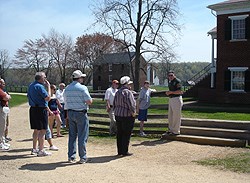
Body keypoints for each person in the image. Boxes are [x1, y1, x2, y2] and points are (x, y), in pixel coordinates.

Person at [64, 70, 92, 164]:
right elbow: (89, 101)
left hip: (71, 112)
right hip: (80, 113)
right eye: (82, 78)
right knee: (82, 135)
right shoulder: (82, 88)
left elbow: (65, 101)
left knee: (72, 135)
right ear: (79, 78)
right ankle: (82, 157)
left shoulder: (67, 88)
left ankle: (71, 156)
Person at [27, 72, 52, 156]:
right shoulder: (40, 86)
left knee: (36, 130)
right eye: (44, 77)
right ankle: (41, 150)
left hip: (33, 109)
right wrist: (48, 87)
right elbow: (48, 98)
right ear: (41, 78)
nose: (45, 79)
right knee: (43, 130)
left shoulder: (31, 85)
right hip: (41, 109)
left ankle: (34, 148)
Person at [113, 76, 136, 156]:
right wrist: (133, 113)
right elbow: (131, 104)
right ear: (126, 84)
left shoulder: (118, 92)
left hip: (118, 114)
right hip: (126, 115)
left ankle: (120, 151)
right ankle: (125, 151)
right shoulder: (128, 92)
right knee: (126, 133)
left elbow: (114, 103)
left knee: (120, 133)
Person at [163, 71, 183, 136]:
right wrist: (169, 93)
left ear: (174, 75)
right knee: (170, 115)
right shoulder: (170, 82)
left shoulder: (177, 81)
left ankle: (176, 131)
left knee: (176, 116)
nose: (170, 77)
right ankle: (171, 129)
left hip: (177, 99)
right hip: (171, 99)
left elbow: (180, 91)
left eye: (171, 75)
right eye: (169, 76)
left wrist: (171, 92)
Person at [0, 79, 11, 151]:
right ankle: (1, 144)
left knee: (3, 126)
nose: (4, 84)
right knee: (1, 127)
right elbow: (6, 97)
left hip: (3, 108)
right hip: (1, 109)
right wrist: (8, 96)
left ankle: (2, 142)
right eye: (3, 83)